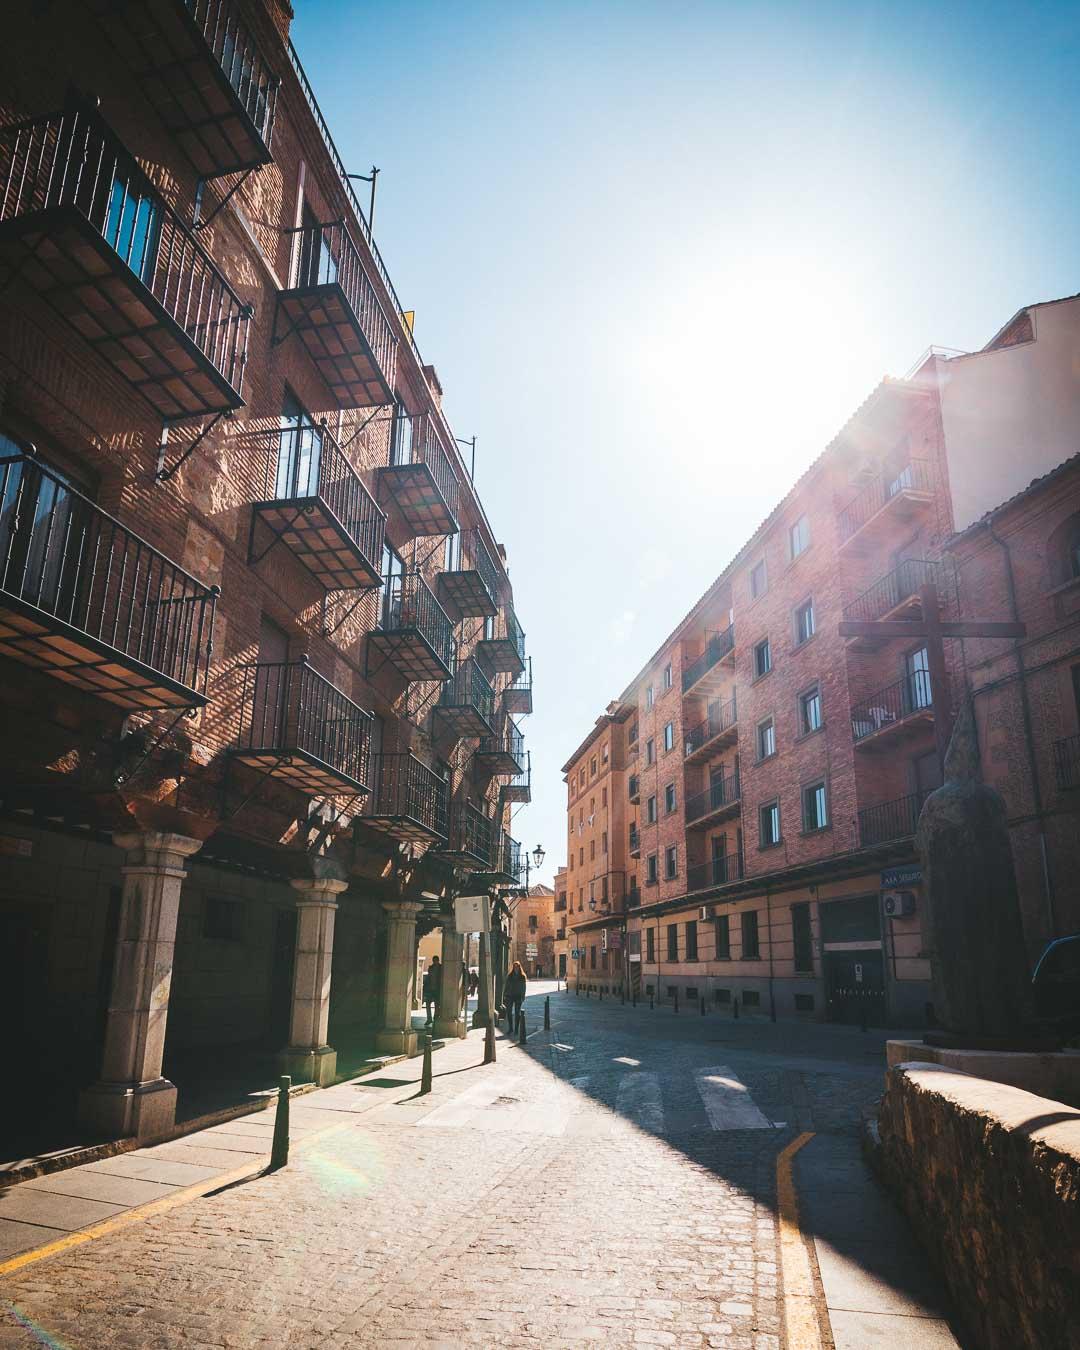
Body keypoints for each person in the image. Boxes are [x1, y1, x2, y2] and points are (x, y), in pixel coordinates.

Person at [504, 960, 527, 1033]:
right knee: (509, 1012)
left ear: (519, 968)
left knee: (517, 1013)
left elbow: (524, 987)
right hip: (510, 996)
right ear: (513, 968)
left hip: (518, 996)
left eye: (517, 967)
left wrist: (523, 996)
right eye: (514, 967)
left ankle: (516, 1029)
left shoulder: (522, 977)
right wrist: (504, 994)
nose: (516, 968)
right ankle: (510, 1028)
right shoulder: (510, 976)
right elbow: (506, 986)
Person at [422, 955, 440, 1025]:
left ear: (438, 961)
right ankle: (429, 1019)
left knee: (437, 1005)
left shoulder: (441, 968)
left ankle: (435, 1018)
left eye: (435, 961)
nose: (434, 962)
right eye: (434, 961)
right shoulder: (430, 968)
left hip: (437, 990)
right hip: (430, 989)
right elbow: (428, 978)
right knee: (427, 1004)